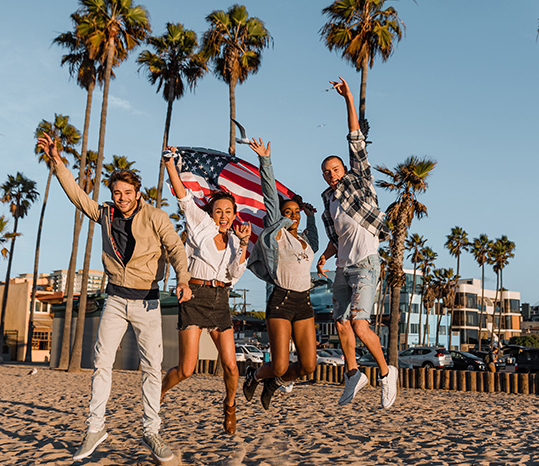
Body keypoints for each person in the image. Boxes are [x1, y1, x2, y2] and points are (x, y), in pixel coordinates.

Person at [37, 133, 192, 463]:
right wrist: (58, 161)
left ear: (138, 193)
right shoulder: (105, 213)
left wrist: (183, 278)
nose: (121, 198)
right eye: (116, 193)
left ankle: (151, 431)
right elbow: (78, 197)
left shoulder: (156, 217)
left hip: (148, 303)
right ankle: (95, 428)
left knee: (152, 369)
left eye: (127, 193)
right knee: (101, 363)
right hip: (115, 302)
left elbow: (177, 250)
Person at [316, 77, 398, 409]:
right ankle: (353, 374)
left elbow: (355, 139)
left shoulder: (359, 182)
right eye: (327, 171)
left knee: (360, 325)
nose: (332, 174)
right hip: (342, 267)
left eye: (335, 169)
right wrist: (323, 256)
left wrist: (348, 97)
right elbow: (337, 239)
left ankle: (386, 372)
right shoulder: (328, 201)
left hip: (366, 264)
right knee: (340, 322)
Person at [160, 147, 251, 435]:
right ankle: (159, 392)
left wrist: (245, 246)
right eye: (218, 211)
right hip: (195, 297)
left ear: (234, 214)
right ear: (211, 213)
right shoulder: (200, 225)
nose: (223, 216)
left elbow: (234, 275)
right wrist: (169, 166)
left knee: (231, 367)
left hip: (220, 300)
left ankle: (230, 406)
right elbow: (183, 197)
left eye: (228, 212)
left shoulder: (237, 240)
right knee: (186, 369)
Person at [244, 137, 319, 410]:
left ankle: (274, 384)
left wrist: (309, 217)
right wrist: (265, 160)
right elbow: (269, 196)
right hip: (282, 300)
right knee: (279, 364)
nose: (293, 216)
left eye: (295, 212)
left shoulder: (305, 242)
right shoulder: (277, 236)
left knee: (308, 365)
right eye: (289, 212)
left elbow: (315, 240)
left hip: (304, 302)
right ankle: (254, 375)